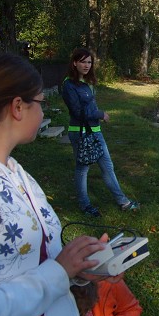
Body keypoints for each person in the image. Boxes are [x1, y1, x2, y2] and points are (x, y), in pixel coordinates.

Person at [0, 52, 110, 316]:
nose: (43, 110)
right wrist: (59, 271)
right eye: (39, 103)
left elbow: (35, 264)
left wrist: (81, 269)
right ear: (17, 107)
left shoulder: (18, 174)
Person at [61, 48, 139, 218]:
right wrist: (100, 114)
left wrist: (96, 115)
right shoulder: (69, 85)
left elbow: (89, 106)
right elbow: (77, 112)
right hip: (80, 133)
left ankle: (123, 202)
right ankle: (84, 205)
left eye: (89, 62)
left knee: (108, 167)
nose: (86, 65)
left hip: (95, 131)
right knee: (82, 169)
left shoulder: (88, 82)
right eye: (83, 61)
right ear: (74, 62)